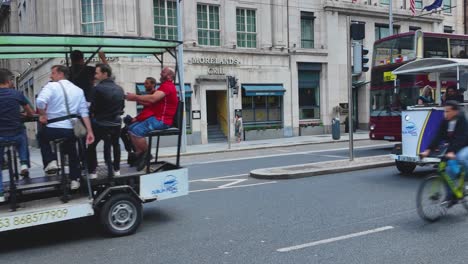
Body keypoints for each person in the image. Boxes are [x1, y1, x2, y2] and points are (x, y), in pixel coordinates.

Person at [36, 65, 95, 190]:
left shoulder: (51, 86)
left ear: (61, 74)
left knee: (41, 136)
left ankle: (51, 161)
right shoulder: (78, 90)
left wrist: (42, 114)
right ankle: (75, 179)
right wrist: (90, 132)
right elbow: (84, 113)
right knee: (72, 150)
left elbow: (40, 101)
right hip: (71, 130)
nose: (51, 76)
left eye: (53, 73)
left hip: (54, 129)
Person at [125, 67, 178, 171]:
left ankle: (145, 154)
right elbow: (150, 102)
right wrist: (131, 98)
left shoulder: (167, 86)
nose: (161, 73)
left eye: (163, 72)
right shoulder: (163, 87)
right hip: (157, 118)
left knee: (136, 131)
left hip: (162, 120)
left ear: (169, 76)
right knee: (130, 128)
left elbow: (153, 98)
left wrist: (135, 97)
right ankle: (141, 154)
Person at [420, 101, 468, 206]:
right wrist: (428, 150)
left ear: (455, 111)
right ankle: (451, 197)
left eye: (448, 111)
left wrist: (452, 152)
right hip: (454, 147)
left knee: (461, 157)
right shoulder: (445, 122)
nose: (445, 114)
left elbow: (462, 138)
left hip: (465, 146)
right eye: (444, 111)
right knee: (446, 171)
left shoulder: (462, 120)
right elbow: (438, 136)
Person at [0, 69, 35, 202]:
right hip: (16, 134)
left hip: (0, 137)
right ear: (8, 81)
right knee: (22, 134)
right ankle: (24, 163)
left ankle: (0, 195)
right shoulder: (16, 94)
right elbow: (30, 113)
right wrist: (23, 115)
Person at [87, 64, 125, 178]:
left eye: (97, 73)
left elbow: (92, 108)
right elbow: (122, 107)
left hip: (101, 123)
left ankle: (93, 171)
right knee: (116, 145)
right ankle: (117, 170)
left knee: (91, 146)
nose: (95, 75)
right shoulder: (120, 89)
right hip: (116, 123)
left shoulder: (96, 88)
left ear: (105, 74)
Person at [121, 77, 157, 165]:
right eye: (145, 83)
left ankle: (144, 153)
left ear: (153, 84)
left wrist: (136, 119)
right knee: (124, 130)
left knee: (133, 129)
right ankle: (136, 152)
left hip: (151, 119)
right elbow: (145, 108)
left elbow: (150, 111)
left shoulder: (154, 95)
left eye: (147, 83)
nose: (145, 85)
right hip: (145, 118)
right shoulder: (148, 94)